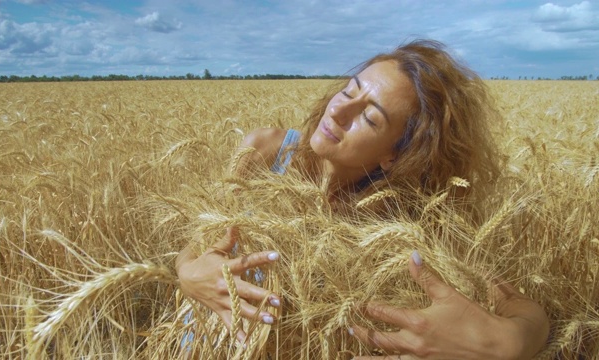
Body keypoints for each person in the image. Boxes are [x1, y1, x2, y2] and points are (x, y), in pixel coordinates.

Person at [175, 39, 549, 358]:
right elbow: (198, 246)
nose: (337, 111)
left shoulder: (405, 219)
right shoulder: (266, 151)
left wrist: (505, 344)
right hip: (197, 344)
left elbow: (524, 310)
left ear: (396, 155)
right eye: (349, 91)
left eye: (368, 118)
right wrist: (189, 273)